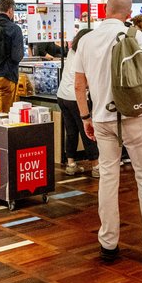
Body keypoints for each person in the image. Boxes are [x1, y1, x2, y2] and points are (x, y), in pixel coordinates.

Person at [73, 0, 142, 266]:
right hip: (134, 116)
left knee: (108, 179)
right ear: (128, 12)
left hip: (101, 119)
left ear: (105, 10)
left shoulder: (86, 40)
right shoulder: (133, 35)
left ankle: (108, 244)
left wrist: (86, 117)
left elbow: (79, 86)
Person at [57, 29, 99, 177]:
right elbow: (84, 81)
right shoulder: (86, 55)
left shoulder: (71, 52)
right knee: (88, 132)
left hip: (62, 96)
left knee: (71, 131)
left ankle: (71, 164)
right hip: (76, 98)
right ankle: (96, 166)